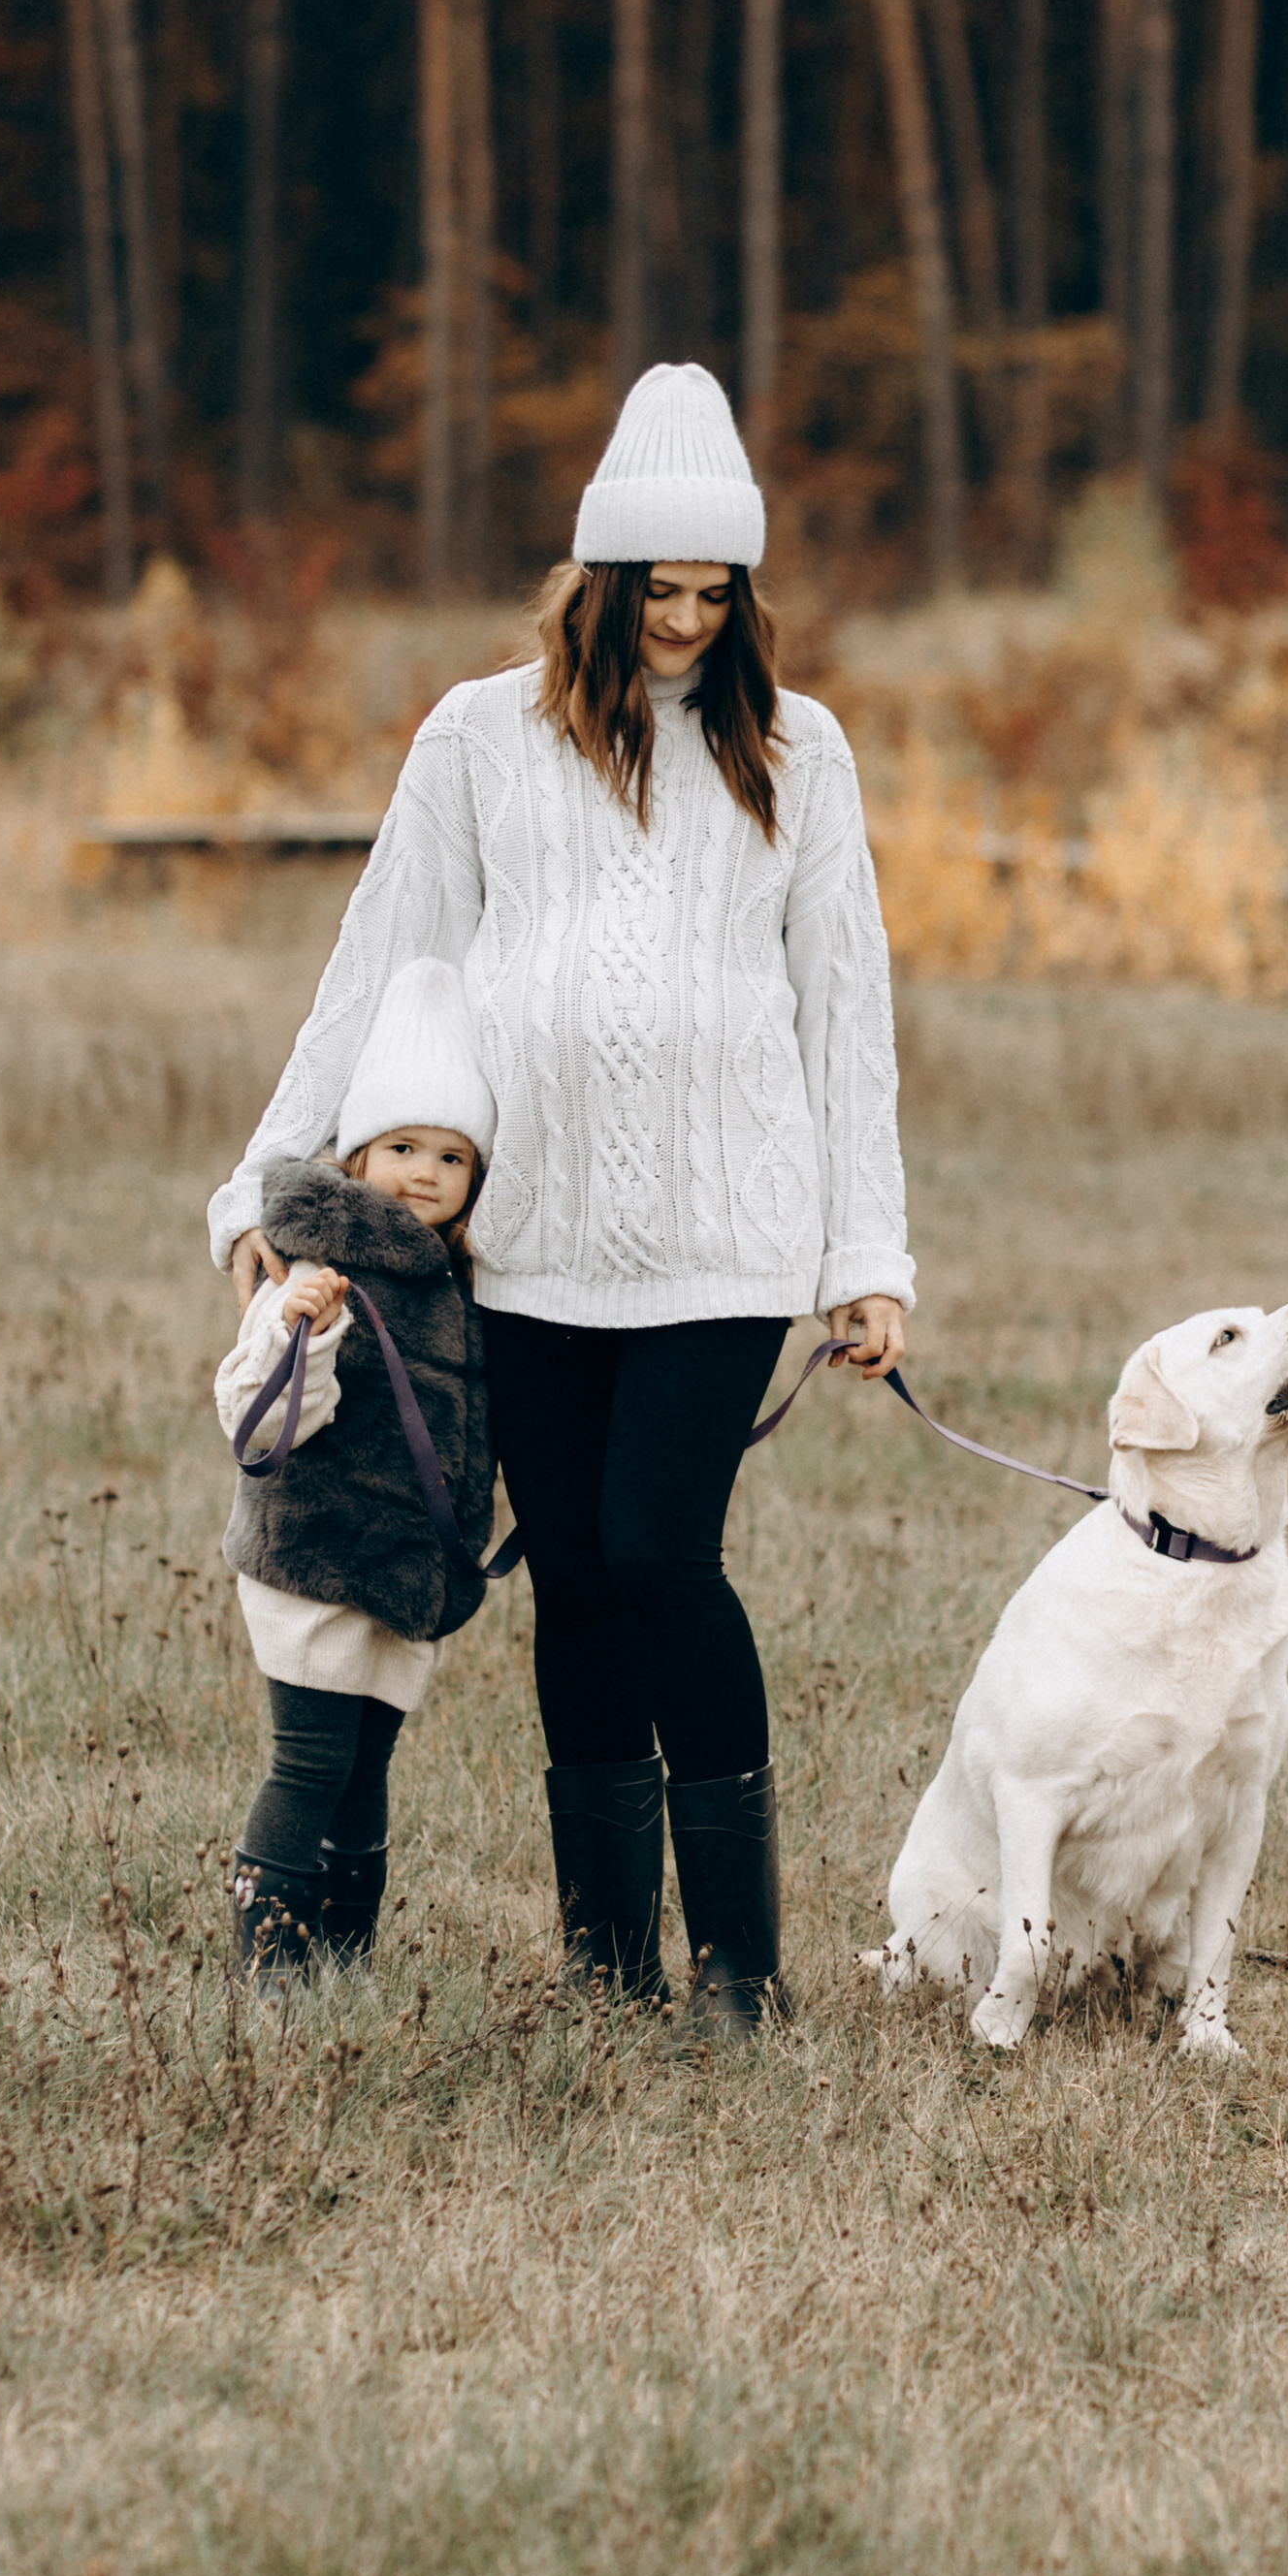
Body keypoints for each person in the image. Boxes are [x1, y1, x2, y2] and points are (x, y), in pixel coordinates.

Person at [209, 364, 915, 2048]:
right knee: (576, 1578)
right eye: (656, 591)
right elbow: (378, 958)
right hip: (523, 1242)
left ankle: (740, 1977)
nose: (684, 622)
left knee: (664, 1553)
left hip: (726, 1230)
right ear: (596, 586)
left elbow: (848, 1005)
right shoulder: (481, 737)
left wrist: (865, 1251)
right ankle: (610, 1965)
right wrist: (272, 1177)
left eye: (713, 592)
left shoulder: (796, 748)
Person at [213, 954, 497, 1985]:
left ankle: (343, 1950)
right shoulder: (313, 1267)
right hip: (316, 1556)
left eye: (452, 1156)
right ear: (357, 1151)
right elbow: (257, 1424)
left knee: (369, 1764)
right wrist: (304, 1335)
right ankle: (269, 1954)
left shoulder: (460, 1281)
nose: (423, 1171)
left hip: (408, 1567)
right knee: (311, 1757)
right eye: (402, 1146)